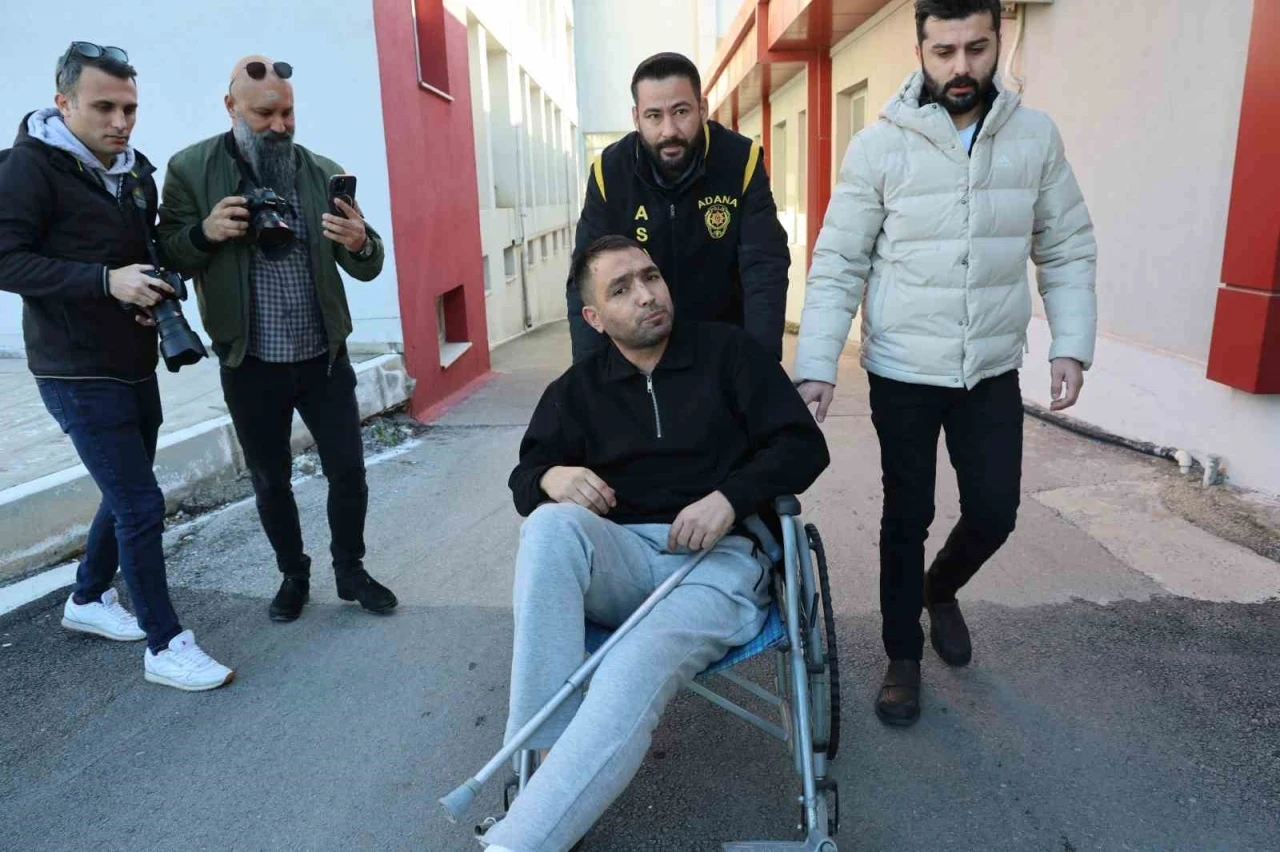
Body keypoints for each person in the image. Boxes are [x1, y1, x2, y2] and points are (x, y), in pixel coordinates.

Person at [795, 0, 1097, 726]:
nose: (962, 67)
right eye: (944, 52)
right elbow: (839, 262)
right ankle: (902, 656)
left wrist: (1070, 342)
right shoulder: (879, 147)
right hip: (902, 369)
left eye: (976, 48)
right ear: (921, 52)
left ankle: (940, 589)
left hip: (989, 367)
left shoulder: (1034, 137)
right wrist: (818, 363)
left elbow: (1065, 246)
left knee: (995, 511)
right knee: (909, 513)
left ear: (997, 41)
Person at [482, 235, 829, 851]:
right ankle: (545, 759)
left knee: (629, 665)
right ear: (594, 317)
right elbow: (523, 480)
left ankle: (519, 840)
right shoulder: (576, 391)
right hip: (623, 562)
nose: (646, 295)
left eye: (650, 277)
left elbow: (803, 446)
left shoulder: (730, 355)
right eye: (622, 289)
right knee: (548, 527)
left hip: (719, 568)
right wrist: (550, 477)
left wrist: (730, 498)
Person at [0, 42, 233, 691]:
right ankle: (166, 645)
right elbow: (7, 260)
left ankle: (87, 597)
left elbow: (143, 251)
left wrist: (156, 282)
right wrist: (106, 281)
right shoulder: (27, 169)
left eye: (129, 107)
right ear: (63, 102)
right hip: (73, 368)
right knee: (139, 502)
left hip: (132, 356)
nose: (120, 121)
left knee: (126, 489)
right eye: (103, 107)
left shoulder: (134, 173)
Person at [157, 55, 396, 622]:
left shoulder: (321, 172)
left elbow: (367, 265)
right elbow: (169, 253)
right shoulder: (190, 169)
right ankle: (294, 575)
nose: (280, 125)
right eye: (265, 114)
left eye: (287, 113)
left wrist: (360, 241)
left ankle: (350, 570)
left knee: (348, 471)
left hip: (323, 357)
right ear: (231, 106)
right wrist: (205, 232)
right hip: (250, 360)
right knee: (270, 480)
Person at [567, 52, 790, 364]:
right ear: (636, 118)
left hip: (723, 350)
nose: (669, 130)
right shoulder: (609, 171)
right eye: (654, 116)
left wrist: (761, 366)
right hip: (640, 353)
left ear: (702, 108)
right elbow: (586, 280)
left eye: (681, 111)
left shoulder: (741, 161)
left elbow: (764, 268)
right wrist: (589, 375)